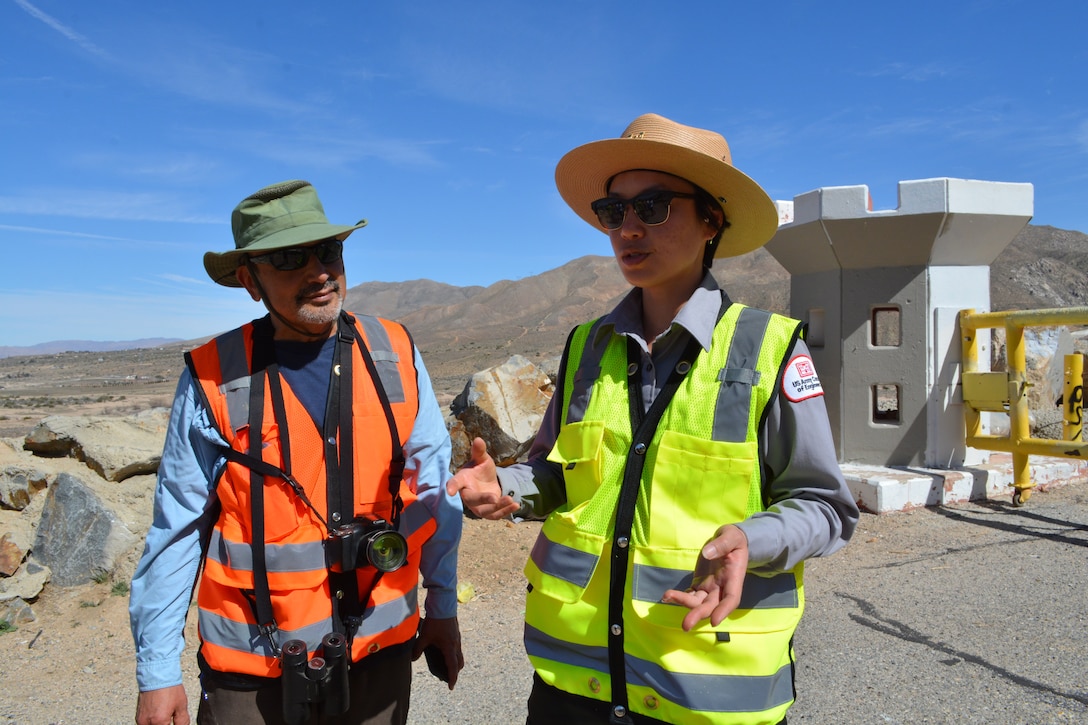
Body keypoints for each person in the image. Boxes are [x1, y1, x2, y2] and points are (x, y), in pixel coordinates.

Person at [448, 114, 859, 725]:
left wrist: (752, 539)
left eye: (655, 206)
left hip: (702, 693)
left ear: (711, 219)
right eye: (614, 212)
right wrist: (506, 488)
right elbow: (559, 474)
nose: (628, 229)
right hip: (573, 686)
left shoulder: (767, 350)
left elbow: (825, 506)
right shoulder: (586, 346)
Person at [129, 179, 463, 725]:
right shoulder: (213, 376)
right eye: (288, 258)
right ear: (249, 280)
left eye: (328, 251)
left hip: (378, 654)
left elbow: (436, 493)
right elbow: (177, 530)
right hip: (252, 671)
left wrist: (443, 609)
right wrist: (158, 673)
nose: (319, 271)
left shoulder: (395, 354)